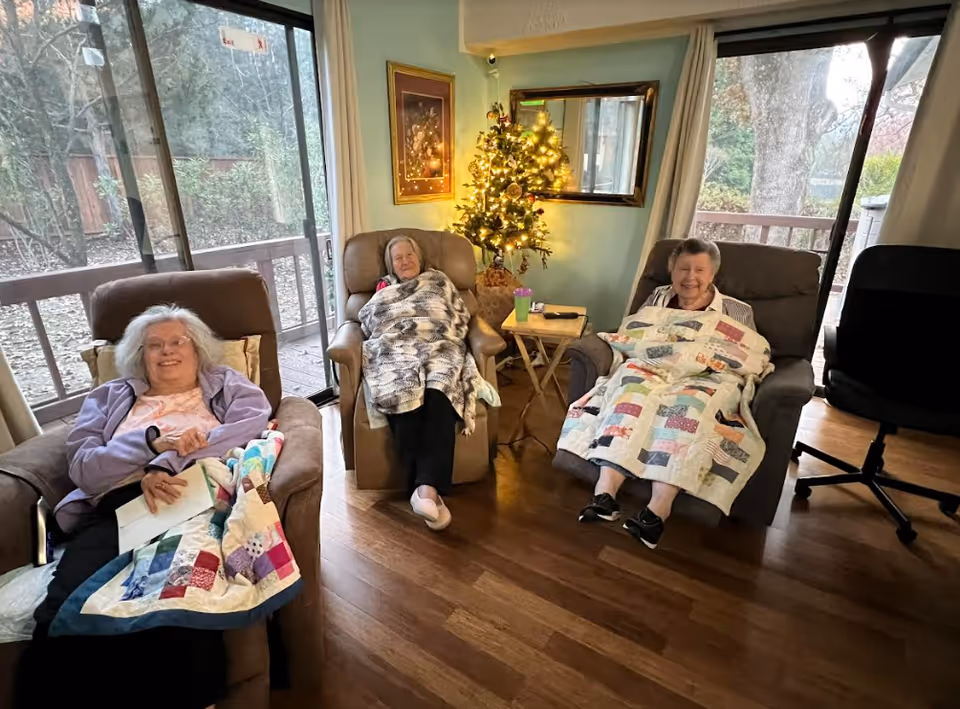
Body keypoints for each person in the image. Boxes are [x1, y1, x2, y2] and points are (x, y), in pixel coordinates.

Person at [16, 304, 271, 709]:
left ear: (197, 348)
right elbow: (85, 468)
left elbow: (252, 425)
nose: (166, 351)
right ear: (140, 354)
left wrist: (164, 463)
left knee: (179, 602)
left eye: (176, 342)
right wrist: (150, 444)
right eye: (154, 345)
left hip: (193, 499)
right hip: (116, 504)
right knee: (67, 604)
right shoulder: (109, 396)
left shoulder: (226, 384)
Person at [578, 238, 756, 549]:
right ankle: (604, 495)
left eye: (699, 269)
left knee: (687, 413)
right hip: (651, 367)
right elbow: (635, 334)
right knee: (628, 397)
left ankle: (657, 511)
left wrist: (700, 359)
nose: (690, 277)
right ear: (671, 271)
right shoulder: (658, 297)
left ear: (713, 273)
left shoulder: (737, 311)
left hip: (705, 375)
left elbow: (749, 353)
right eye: (683, 269)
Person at [363, 235, 477, 532]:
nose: (405, 261)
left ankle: (423, 490)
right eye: (398, 257)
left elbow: (458, 314)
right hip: (397, 347)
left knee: (439, 390)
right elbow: (372, 320)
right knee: (403, 387)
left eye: (409, 254)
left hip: (440, 344)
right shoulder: (385, 290)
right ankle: (428, 492)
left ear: (419, 256)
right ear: (392, 265)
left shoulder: (437, 280)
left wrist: (439, 332)